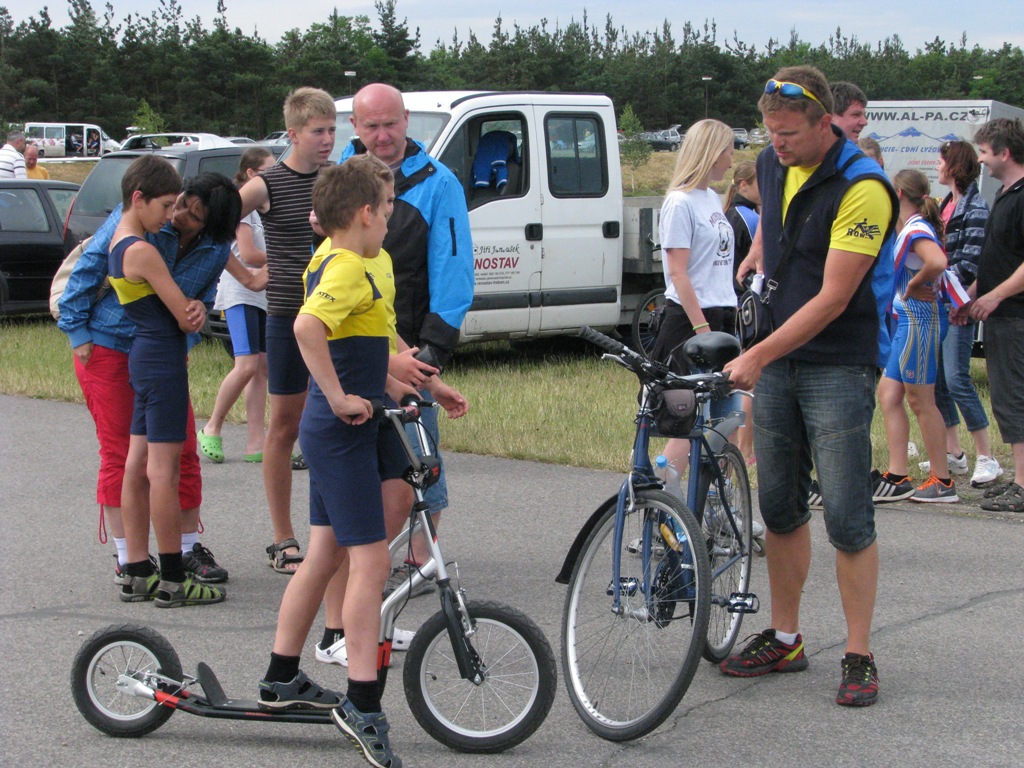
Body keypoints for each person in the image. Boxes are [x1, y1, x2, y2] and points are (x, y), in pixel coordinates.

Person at [721, 66, 898, 707]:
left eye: (790, 132)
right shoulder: (773, 164)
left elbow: (834, 297)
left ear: (826, 123)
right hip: (778, 358)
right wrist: (756, 257)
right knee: (780, 508)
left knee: (847, 514)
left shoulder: (864, 187)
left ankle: (859, 653)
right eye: (769, 131)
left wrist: (758, 355)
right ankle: (786, 637)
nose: (777, 143)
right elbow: (778, 231)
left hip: (837, 363)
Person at [257, 156, 404, 768]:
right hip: (340, 430)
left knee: (324, 554)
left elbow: (372, 343)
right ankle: (362, 701)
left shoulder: (351, 259)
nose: (391, 219)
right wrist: (340, 396)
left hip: (345, 426)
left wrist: (408, 383)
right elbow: (306, 328)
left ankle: (280, 676)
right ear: (365, 213)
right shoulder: (345, 264)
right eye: (387, 210)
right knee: (370, 562)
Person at [59, 173, 259, 591]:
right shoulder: (140, 226)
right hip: (112, 344)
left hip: (160, 352)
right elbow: (85, 271)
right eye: (178, 203)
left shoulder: (213, 246)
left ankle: (182, 551)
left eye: (192, 214)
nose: (178, 215)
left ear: (212, 225)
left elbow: (199, 300)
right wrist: (77, 333)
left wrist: (199, 310)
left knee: (179, 452)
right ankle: (133, 559)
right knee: (127, 456)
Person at [339, 83, 474, 594]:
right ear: (355, 126)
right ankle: (362, 557)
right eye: (371, 126)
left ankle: (421, 555)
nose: (382, 135)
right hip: (353, 345)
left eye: (391, 124)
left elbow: (455, 272)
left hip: (412, 344)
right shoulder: (338, 179)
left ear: (407, 119)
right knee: (362, 459)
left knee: (419, 452)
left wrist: (432, 353)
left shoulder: (439, 183)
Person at [107, 158, 241, 607]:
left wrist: (192, 306)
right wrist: (194, 309)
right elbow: (184, 316)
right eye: (167, 205)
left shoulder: (119, 241)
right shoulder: (144, 250)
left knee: (137, 463)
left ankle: (136, 570)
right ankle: (172, 578)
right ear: (139, 198)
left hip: (144, 354)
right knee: (163, 471)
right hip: (162, 357)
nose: (171, 215)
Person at [239, 87, 337, 574]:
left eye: (332, 130)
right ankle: (283, 538)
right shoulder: (267, 183)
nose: (327, 139)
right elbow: (216, 223)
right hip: (287, 319)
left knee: (337, 423)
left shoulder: (337, 178)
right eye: (318, 131)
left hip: (336, 319)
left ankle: (335, 533)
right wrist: (246, 276)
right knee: (285, 426)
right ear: (293, 134)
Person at [649, 118, 739, 475]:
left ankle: (719, 498)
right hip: (692, 319)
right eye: (729, 151)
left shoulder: (711, 198)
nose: (731, 160)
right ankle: (660, 491)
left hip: (722, 312)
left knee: (727, 417)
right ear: (711, 152)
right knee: (686, 420)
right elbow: (678, 272)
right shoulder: (679, 202)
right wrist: (702, 329)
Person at [920, 140, 1002, 486]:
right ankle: (954, 452)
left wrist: (949, 291)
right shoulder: (946, 203)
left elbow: (972, 260)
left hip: (958, 303)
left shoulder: (976, 208)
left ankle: (987, 455)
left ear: (954, 165)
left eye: (941, 162)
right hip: (940, 302)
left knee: (957, 378)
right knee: (938, 380)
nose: (937, 167)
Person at [954, 118, 1024, 513]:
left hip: (1016, 314)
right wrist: (971, 294)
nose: (979, 160)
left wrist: (996, 296)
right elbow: (998, 257)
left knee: (1015, 397)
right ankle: (1019, 478)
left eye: (983, 152)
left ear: (1004, 152)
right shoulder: (1003, 194)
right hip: (1001, 312)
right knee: (1005, 397)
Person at [875, 170, 958, 503]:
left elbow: (937, 261)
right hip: (908, 321)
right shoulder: (912, 225)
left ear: (898, 193)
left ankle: (942, 480)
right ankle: (898, 474)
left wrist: (913, 283)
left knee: (921, 400)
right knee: (889, 394)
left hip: (919, 321)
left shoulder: (916, 227)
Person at [199, 147, 275, 464]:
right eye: (269, 171)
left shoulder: (267, 210)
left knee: (262, 368)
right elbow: (249, 254)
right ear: (251, 174)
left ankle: (256, 442)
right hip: (240, 293)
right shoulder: (245, 210)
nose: (274, 177)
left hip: (263, 295)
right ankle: (212, 426)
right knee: (246, 365)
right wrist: (288, 256)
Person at [724, 160, 760, 463]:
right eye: (761, 183)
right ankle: (746, 450)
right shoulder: (749, 218)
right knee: (749, 380)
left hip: (730, 302)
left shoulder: (728, 213)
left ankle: (737, 446)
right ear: (744, 185)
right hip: (745, 305)